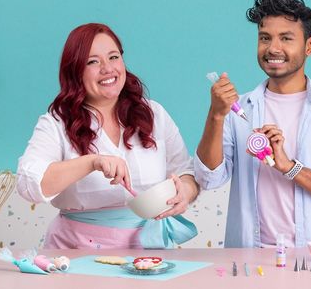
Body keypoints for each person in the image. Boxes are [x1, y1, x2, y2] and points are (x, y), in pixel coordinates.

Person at [195, 0, 311, 248]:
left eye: (286, 38)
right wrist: (216, 115)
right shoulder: (238, 109)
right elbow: (209, 178)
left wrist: (289, 166)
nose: (273, 48)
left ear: (310, 45)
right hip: (248, 258)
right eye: (265, 38)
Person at [17, 23, 199, 249]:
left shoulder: (154, 114)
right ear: (75, 71)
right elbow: (29, 184)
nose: (107, 68)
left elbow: (186, 172)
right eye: (93, 61)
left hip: (149, 250)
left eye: (113, 57)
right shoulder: (57, 122)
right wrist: (92, 162)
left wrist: (185, 193)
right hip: (74, 252)